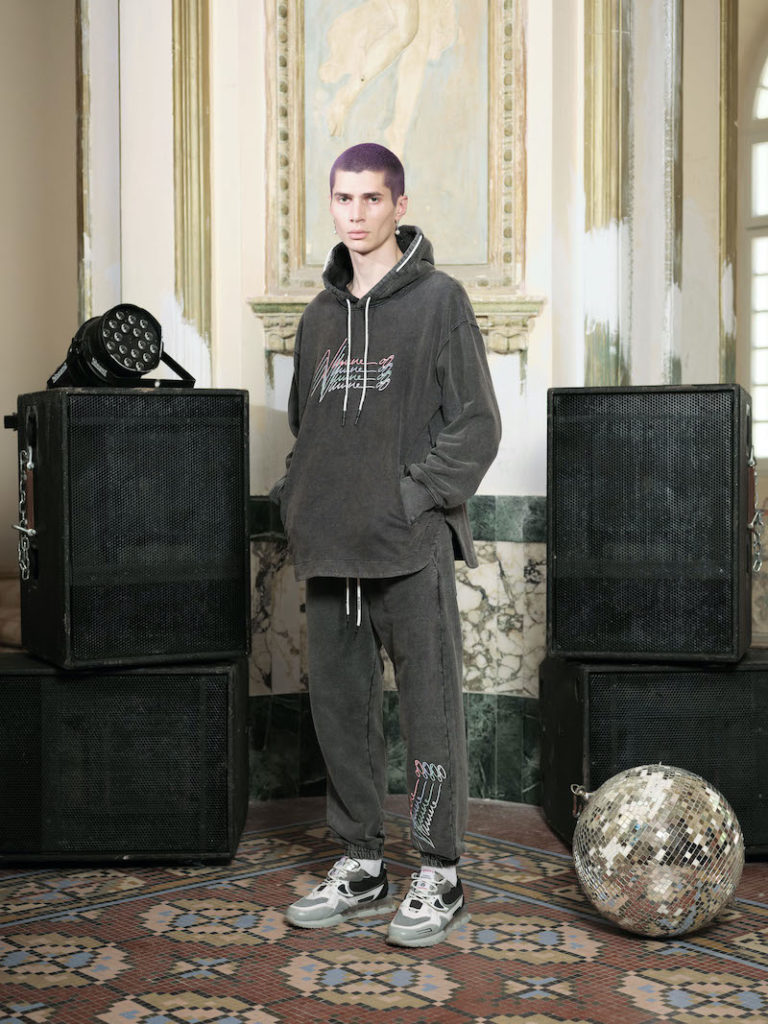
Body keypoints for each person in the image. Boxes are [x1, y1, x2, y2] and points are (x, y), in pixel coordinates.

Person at [271, 142, 501, 947]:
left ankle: (439, 871)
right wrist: (300, 501)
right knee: (341, 716)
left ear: (399, 205)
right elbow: (306, 428)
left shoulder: (440, 302)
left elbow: (477, 425)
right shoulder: (317, 319)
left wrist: (409, 499)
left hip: (409, 549)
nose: (356, 213)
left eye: (372, 198)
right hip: (330, 551)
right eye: (344, 198)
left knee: (431, 718)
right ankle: (362, 862)